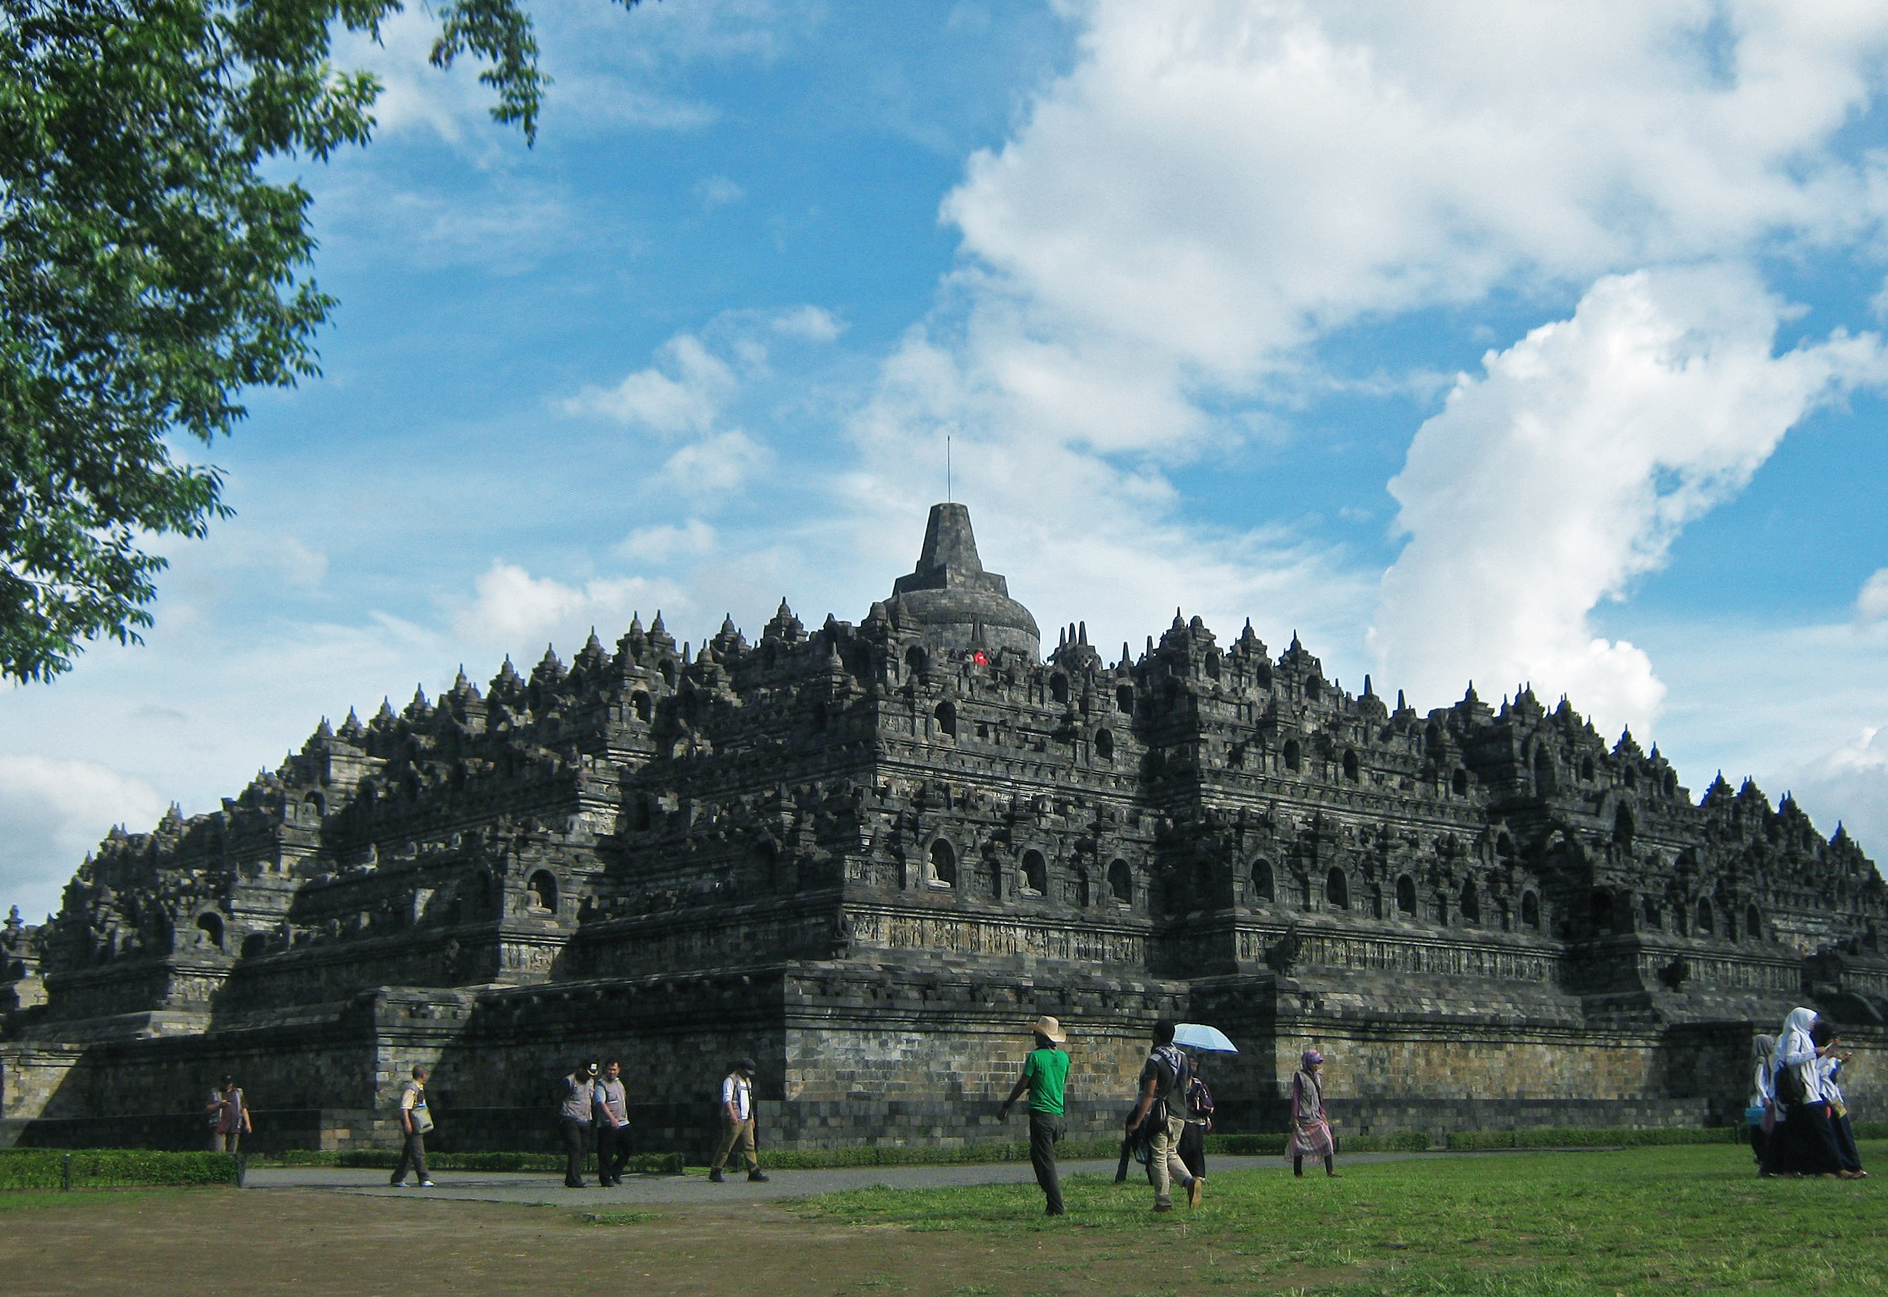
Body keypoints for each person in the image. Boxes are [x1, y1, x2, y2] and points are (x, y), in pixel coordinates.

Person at [998, 1014, 1070, 1216]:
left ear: (1043, 1037)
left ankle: (1056, 1206)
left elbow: (1023, 1083)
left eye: (1036, 1034)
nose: (1034, 1036)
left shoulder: (1035, 1057)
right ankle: (1051, 1201)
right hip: (1058, 1116)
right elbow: (1057, 1082)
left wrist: (1006, 1105)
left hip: (1042, 1115)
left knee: (1046, 1162)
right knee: (1038, 1156)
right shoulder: (1064, 1058)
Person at [1126, 1019, 1201, 1212]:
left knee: (1158, 1156)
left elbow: (1150, 1094)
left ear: (1157, 1036)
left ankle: (1163, 1201)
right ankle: (1190, 1181)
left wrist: (1137, 1120)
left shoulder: (1155, 1061)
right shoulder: (1182, 1057)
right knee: (1170, 1152)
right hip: (1180, 1113)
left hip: (1161, 1115)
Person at [1761, 1007, 1844, 1178]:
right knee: (1821, 1131)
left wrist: (1826, 1055)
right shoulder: (1794, 1036)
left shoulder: (1804, 1037)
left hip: (1809, 1091)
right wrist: (1814, 1052)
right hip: (1803, 1092)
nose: (1813, 1023)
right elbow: (1791, 1060)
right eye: (1811, 1019)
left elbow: (1811, 1069)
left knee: (1795, 1134)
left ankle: (1788, 1168)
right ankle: (1834, 1168)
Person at [1814, 1025, 1867, 1179]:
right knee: (1837, 1133)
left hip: (1834, 1097)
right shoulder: (1819, 1054)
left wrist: (1840, 1061)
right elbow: (1819, 1073)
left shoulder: (1829, 1056)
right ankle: (1843, 1166)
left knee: (1844, 1133)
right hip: (1827, 1097)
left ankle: (1852, 1165)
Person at [709, 1057, 768, 1183]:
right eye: (746, 1071)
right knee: (727, 1145)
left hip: (746, 1118)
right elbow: (727, 1099)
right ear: (740, 1069)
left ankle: (753, 1171)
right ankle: (716, 1170)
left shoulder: (747, 1081)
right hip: (735, 1118)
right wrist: (732, 1115)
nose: (747, 1074)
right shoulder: (730, 1080)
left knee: (749, 1145)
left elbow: (749, 1100)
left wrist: (751, 1117)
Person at [1288, 1049, 1338, 1177]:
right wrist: (1294, 1117)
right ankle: (1298, 1172)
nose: (1316, 1066)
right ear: (1308, 1063)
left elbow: (1319, 1097)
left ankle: (1330, 1170)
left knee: (1327, 1139)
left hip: (1316, 1115)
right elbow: (1295, 1096)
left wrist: (1323, 1112)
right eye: (1314, 1063)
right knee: (1299, 1145)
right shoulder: (1299, 1076)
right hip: (1303, 1115)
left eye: (1318, 1063)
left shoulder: (1318, 1077)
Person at [389, 1065, 435, 1187]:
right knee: (418, 1151)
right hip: (412, 1120)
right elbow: (405, 1107)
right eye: (426, 1074)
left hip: (418, 1120)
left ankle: (397, 1178)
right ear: (422, 1075)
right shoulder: (412, 1088)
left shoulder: (419, 1087)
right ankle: (424, 1178)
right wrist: (407, 1123)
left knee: (409, 1152)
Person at [1177, 1052, 1214, 1184]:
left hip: (1196, 1120)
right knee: (1186, 1148)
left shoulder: (1198, 1084)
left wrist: (1207, 1117)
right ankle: (1189, 1174)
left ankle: (1198, 1175)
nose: (1193, 1065)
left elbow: (1205, 1102)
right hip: (1185, 1119)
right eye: (1190, 1063)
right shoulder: (1180, 1083)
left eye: (1195, 1063)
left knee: (1195, 1148)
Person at [560, 1061, 597, 1188]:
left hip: (586, 1118)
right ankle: (576, 1179)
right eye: (587, 1073)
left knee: (583, 1149)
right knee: (575, 1147)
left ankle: (570, 1177)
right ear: (580, 1069)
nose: (589, 1076)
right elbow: (559, 1099)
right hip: (570, 1118)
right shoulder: (569, 1081)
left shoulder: (591, 1082)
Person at [594, 1059, 630, 1187]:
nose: (611, 1072)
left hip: (623, 1122)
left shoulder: (619, 1083)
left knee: (628, 1149)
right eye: (609, 1069)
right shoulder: (601, 1085)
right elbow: (601, 1104)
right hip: (607, 1124)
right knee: (606, 1153)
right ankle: (605, 1178)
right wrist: (612, 1119)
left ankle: (615, 1171)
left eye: (614, 1069)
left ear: (618, 1070)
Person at [1747, 1033, 1777, 1169]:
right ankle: (1763, 1156)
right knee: (1761, 1131)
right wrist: (1765, 1097)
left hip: (1760, 1099)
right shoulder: (1761, 1061)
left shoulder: (1763, 1060)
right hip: (1760, 1101)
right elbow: (1759, 1082)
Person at [205, 1076, 251, 1153]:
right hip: (220, 1125)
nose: (227, 1085)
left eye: (229, 1083)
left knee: (232, 1152)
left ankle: (230, 1164)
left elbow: (243, 1108)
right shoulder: (215, 1093)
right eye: (225, 1083)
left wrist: (248, 1124)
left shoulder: (238, 1092)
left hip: (234, 1125)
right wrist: (219, 1105)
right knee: (218, 1150)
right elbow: (208, 1108)